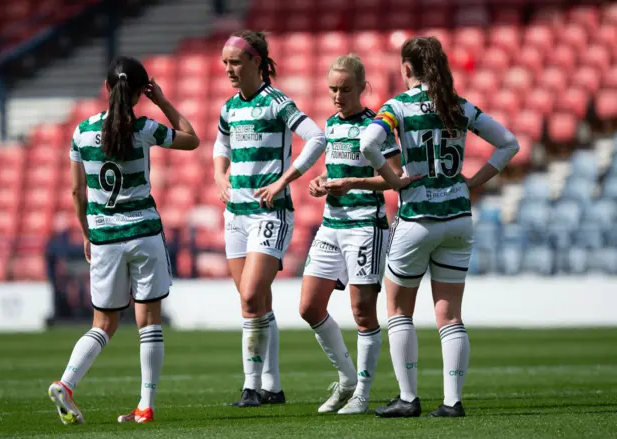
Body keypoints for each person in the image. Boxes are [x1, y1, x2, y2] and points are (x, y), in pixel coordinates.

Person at [359, 37, 520, 418]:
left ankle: (408, 398)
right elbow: (509, 143)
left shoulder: (397, 107)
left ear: (406, 69)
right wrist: (472, 182)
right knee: (450, 315)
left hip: (416, 219)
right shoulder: (458, 106)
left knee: (398, 309)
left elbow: (368, 142)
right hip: (458, 219)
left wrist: (394, 179)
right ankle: (452, 402)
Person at [48, 56, 200, 425]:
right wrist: (162, 100)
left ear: (106, 88)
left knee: (103, 325)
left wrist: (87, 233)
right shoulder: (144, 127)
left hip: (104, 238)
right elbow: (191, 139)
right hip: (144, 233)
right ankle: (144, 406)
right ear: (137, 93)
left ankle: (66, 384)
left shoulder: (82, 132)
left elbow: (75, 191)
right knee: (148, 322)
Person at [213, 30, 327, 407]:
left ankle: (250, 386)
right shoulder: (230, 108)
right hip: (235, 215)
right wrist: (219, 175)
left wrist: (285, 180)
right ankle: (272, 388)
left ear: (256, 63)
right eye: (225, 62)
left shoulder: (276, 102)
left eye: (235, 62)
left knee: (250, 295)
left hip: (269, 213)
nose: (228, 69)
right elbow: (221, 143)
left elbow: (317, 138)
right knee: (255, 302)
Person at [299, 54, 416, 415]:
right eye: (333, 89)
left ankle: (363, 392)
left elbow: (396, 177)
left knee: (362, 311)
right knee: (309, 307)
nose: (337, 96)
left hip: (366, 224)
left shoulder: (376, 127)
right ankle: (347, 378)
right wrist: (321, 182)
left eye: (345, 89)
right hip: (332, 224)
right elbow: (333, 171)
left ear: (362, 88)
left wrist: (352, 183)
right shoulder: (331, 124)